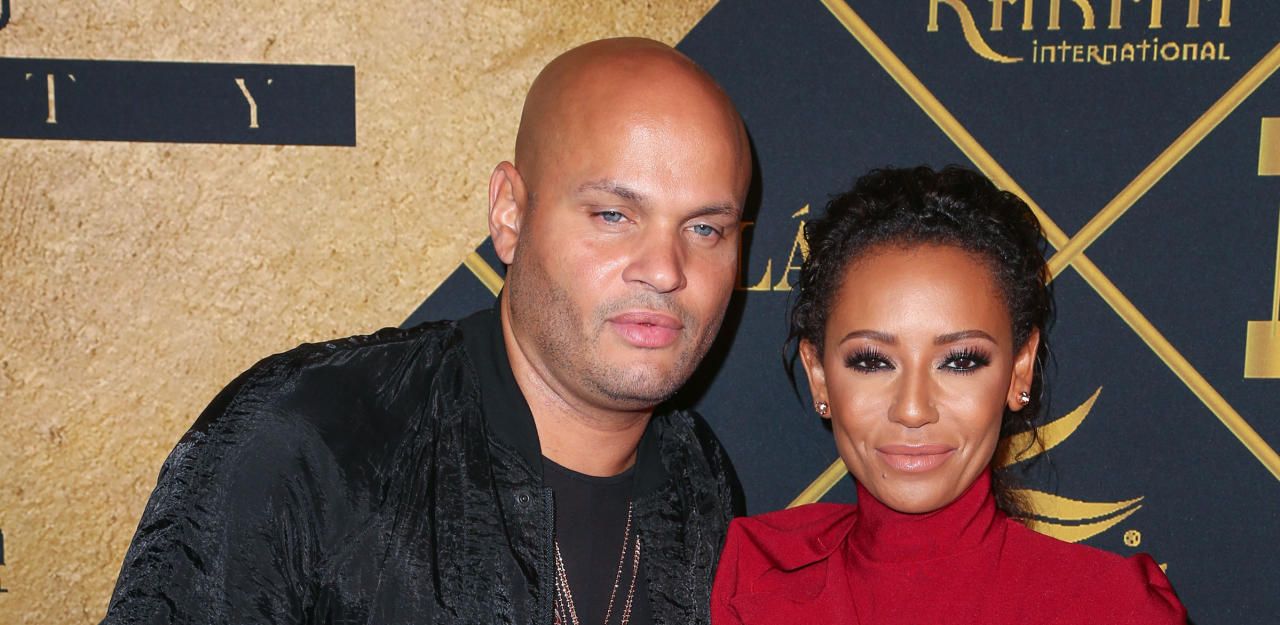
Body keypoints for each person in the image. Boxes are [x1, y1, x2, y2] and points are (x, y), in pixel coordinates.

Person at [102, 37, 751, 625]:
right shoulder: (312, 437)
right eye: (613, 215)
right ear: (510, 213)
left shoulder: (701, 484)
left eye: (705, 229)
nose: (665, 270)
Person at [710, 166, 1186, 624]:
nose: (913, 409)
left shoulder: (1112, 609)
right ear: (818, 375)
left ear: (1020, 370)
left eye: (960, 361)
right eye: (872, 361)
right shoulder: (754, 581)